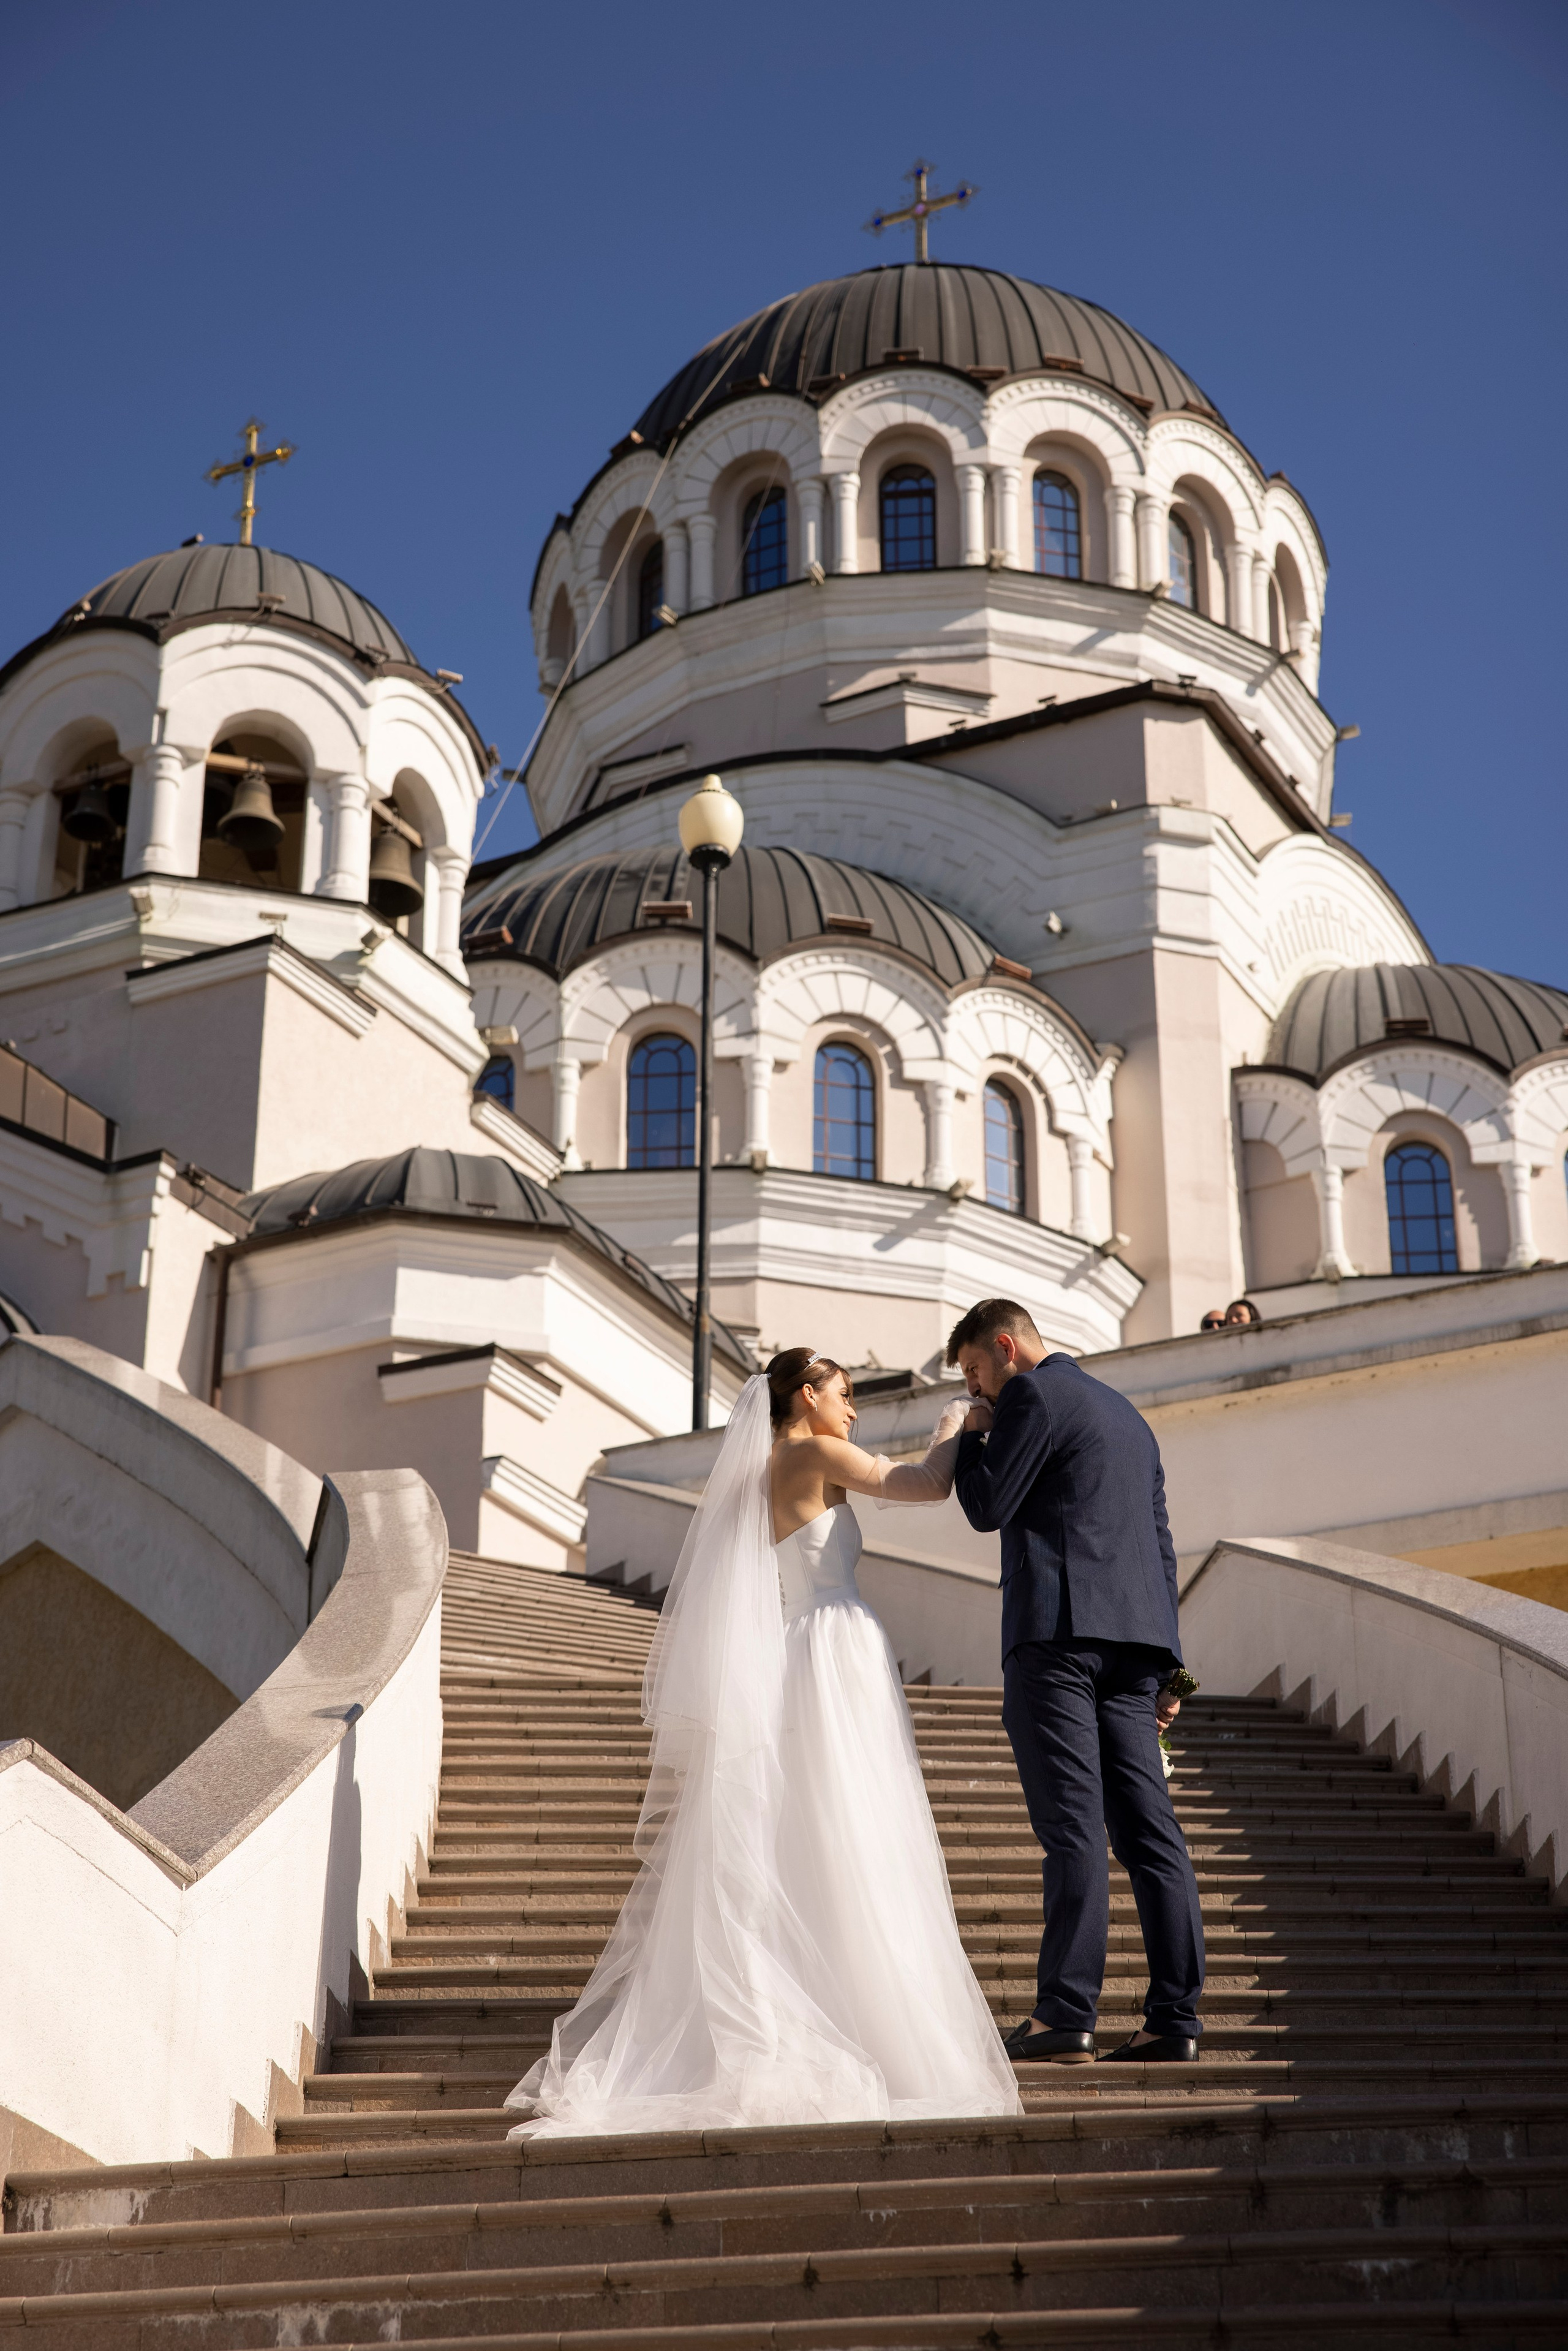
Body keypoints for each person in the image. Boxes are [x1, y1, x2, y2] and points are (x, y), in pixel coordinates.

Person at [503, 1351, 1022, 2137]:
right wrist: (958, 1422)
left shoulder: (765, 1472)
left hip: (794, 1650)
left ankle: (825, 1996)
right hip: (833, 1651)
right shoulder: (813, 1451)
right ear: (806, 1397)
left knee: (813, 1830)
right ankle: (875, 2016)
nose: (852, 1413)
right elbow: (921, 1485)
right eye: (844, 1397)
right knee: (853, 1826)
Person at [949, 1299, 1205, 2066]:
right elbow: (1161, 1546)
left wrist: (968, 1439)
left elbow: (989, 1505)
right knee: (1150, 1833)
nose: (976, 1390)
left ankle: (1064, 2014)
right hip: (1136, 1648)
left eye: (973, 1373)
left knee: (1073, 1827)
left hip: (1057, 1639)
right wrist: (1171, 1669)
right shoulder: (1129, 1416)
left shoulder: (1031, 1394)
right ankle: (1174, 2021)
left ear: (1005, 1347)